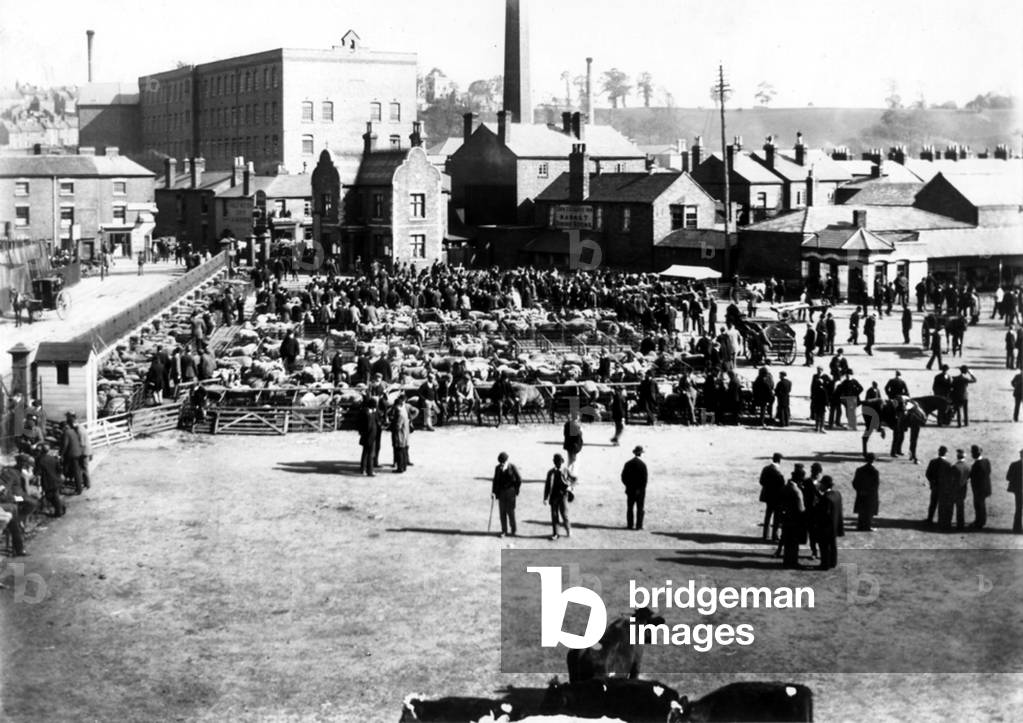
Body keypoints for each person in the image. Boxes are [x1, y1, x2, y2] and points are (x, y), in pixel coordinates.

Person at [778, 466, 806, 569]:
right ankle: (793, 562)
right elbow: (801, 509)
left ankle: (787, 561)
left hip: (786, 519)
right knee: (794, 543)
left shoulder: (786, 487)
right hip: (795, 520)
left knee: (787, 542)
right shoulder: (797, 491)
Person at [814, 476, 844, 570]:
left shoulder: (825, 498)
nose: (820, 486)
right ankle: (833, 562)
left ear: (825, 485)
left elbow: (823, 513)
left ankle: (825, 564)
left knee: (824, 547)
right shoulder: (837, 494)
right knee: (833, 545)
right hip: (834, 525)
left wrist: (816, 505)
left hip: (825, 527)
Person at [492, 452, 522, 537]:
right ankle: (504, 530)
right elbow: (495, 481)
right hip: (501, 493)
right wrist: (493, 492)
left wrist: (516, 490)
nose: (501, 464)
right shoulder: (497, 468)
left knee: (510, 512)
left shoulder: (512, 467)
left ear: (506, 461)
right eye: (500, 462)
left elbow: (519, 479)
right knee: (502, 512)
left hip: (510, 492)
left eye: (503, 462)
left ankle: (513, 529)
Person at [939, 449, 970, 531]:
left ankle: (947, 524)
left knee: (950, 508)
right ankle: (960, 525)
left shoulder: (954, 467)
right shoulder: (968, 467)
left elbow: (950, 479)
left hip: (953, 491)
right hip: (962, 491)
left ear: (957, 457)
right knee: (960, 509)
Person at [544, 454, 572, 540]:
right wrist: (545, 498)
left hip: (563, 496)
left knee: (564, 514)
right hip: (554, 497)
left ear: (562, 462)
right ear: (554, 462)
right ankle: (556, 533)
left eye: (559, 462)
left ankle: (568, 529)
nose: (558, 463)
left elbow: (573, 479)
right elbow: (547, 486)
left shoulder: (565, 470)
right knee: (554, 515)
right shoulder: (550, 472)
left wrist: (570, 487)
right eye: (556, 462)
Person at [759, 452, 786, 541]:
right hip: (777, 497)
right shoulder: (778, 472)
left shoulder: (766, 469)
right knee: (776, 517)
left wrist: (768, 487)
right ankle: (775, 535)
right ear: (779, 461)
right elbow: (782, 485)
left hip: (768, 496)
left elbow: (761, 481)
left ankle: (765, 535)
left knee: (768, 515)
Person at [35, 444, 65, 517]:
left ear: (41, 451)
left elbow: (38, 473)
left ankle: (59, 511)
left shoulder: (40, 460)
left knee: (51, 497)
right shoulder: (53, 458)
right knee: (55, 496)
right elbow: (59, 469)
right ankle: (60, 508)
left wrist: (38, 483)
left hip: (47, 481)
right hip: (56, 480)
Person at [621, 446, 648, 530]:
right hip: (640, 490)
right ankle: (639, 525)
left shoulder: (628, 463)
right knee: (640, 508)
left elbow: (623, 477)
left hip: (630, 489)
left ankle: (630, 525)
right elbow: (644, 480)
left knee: (630, 508)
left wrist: (628, 486)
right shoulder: (642, 465)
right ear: (641, 454)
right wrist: (641, 489)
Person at [924, 446, 952, 526]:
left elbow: (927, 474)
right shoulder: (948, 464)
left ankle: (929, 519)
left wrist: (932, 481)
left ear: (938, 452)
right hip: (943, 488)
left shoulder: (933, 461)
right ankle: (940, 521)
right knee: (942, 504)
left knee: (933, 503)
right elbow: (949, 477)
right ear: (946, 453)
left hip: (934, 486)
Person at [852, 452, 880, 531]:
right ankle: (868, 526)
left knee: (861, 511)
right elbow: (875, 485)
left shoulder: (859, 470)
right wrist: (869, 492)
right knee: (869, 511)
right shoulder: (875, 472)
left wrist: (860, 490)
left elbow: (855, 482)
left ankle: (860, 526)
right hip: (870, 495)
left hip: (861, 494)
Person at [59, 412, 85, 494]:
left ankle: (78, 489)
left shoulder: (66, 433)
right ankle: (79, 486)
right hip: (78, 452)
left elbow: (65, 445)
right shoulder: (73, 431)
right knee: (77, 470)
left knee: (74, 471)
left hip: (72, 454)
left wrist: (61, 454)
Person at [388, 395, 415, 473]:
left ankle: (400, 468)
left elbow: (398, 426)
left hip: (400, 435)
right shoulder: (404, 412)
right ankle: (404, 466)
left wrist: (391, 427)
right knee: (403, 451)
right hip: (404, 434)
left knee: (399, 452)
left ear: (397, 405)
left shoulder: (400, 414)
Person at [969, 445, 991, 530]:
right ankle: (981, 520)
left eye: (972, 453)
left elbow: (973, 476)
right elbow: (988, 472)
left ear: (975, 454)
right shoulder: (986, 461)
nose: (971, 454)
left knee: (978, 505)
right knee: (981, 505)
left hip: (978, 489)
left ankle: (979, 522)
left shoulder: (977, 464)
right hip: (985, 487)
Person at [356, 396, 380, 476]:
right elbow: (369, 426)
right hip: (370, 436)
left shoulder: (366, 412)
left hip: (367, 435)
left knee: (365, 453)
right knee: (370, 454)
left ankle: (363, 469)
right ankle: (370, 470)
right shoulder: (369, 413)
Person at [1007, 449, 1023, 534]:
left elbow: (1008, 477)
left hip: (1018, 490)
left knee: (1018, 509)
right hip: (1019, 490)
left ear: (1020, 455)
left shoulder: (1014, 464)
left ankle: (1017, 528)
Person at [810, 368, 828, 433]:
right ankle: (821, 428)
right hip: (822, 405)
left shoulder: (816, 390)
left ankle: (817, 427)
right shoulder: (823, 390)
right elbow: (826, 398)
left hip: (817, 404)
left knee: (817, 416)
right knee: (822, 416)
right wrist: (827, 404)